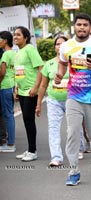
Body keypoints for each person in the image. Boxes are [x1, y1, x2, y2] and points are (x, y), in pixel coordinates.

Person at [54, 13, 91, 186]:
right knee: (72, 133)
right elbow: (63, 62)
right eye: (79, 24)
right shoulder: (66, 46)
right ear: (75, 26)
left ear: (90, 28)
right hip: (74, 96)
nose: (82, 28)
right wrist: (59, 74)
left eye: (85, 25)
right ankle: (74, 171)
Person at [35, 36, 70, 166]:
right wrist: (38, 104)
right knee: (53, 128)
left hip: (72, 100)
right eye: (57, 44)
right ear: (55, 47)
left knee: (74, 128)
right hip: (53, 101)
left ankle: (79, 148)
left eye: (63, 44)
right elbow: (43, 86)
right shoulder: (49, 64)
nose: (59, 46)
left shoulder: (74, 63)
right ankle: (56, 157)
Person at [14, 26, 43, 161]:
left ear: (26, 38)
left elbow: (40, 68)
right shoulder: (18, 52)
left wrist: (36, 87)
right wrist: (16, 88)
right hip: (22, 91)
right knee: (26, 120)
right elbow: (19, 72)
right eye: (14, 35)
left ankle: (33, 151)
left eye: (18, 35)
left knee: (29, 120)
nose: (15, 37)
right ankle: (29, 149)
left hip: (30, 90)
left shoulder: (30, 49)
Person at [0, 31, 16, 152]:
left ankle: (10, 144)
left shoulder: (5, 55)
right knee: (9, 114)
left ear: (5, 40)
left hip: (5, 86)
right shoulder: (14, 53)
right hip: (11, 86)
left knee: (8, 115)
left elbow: (2, 73)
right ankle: (10, 143)